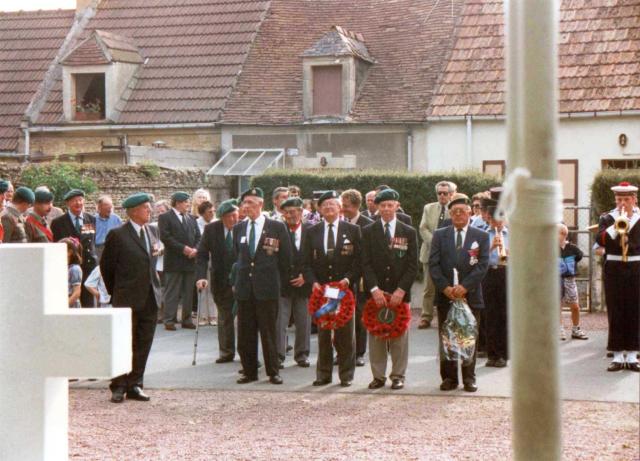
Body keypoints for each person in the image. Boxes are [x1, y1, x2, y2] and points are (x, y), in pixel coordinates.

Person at [100, 192, 163, 403]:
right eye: (146, 207)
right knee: (123, 343)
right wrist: (117, 291)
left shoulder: (152, 232)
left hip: (150, 298)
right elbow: (107, 267)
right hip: (126, 298)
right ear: (134, 211)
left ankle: (135, 383)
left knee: (143, 342)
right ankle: (119, 385)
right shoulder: (118, 235)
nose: (150, 210)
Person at [429, 193, 490, 392]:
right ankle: (449, 378)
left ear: (470, 213)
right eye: (454, 212)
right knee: (447, 337)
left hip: (470, 295)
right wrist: (445, 288)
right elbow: (434, 264)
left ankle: (469, 378)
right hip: (446, 295)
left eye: (462, 211)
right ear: (450, 214)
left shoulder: (480, 236)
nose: (458, 214)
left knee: (469, 336)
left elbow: (482, 265)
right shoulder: (440, 234)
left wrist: (465, 286)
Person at [232, 187, 292, 384]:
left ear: (260, 204)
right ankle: (249, 371)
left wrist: (281, 286)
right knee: (245, 333)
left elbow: (285, 260)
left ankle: (273, 371)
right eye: (244, 203)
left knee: (268, 332)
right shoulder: (239, 228)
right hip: (245, 289)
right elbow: (237, 256)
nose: (245, 206)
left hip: (267, 288)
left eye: (249, 202)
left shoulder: (276, 226)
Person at [303, 190, 362, 387]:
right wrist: (313, 282)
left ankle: (346, 375)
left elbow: (359, 261)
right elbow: (306, 263)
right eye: (325, 205)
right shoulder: (312, 231)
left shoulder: (352, 230)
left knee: (345, 334)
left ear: (340, 208)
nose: (329, 207)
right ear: (319, 209)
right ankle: (323, 374)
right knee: (324, 335)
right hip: (322, 292)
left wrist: (348, 278)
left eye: (332, 204)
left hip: (344, 290)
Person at [361, 189, 418, 390]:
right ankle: (378, 376)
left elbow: (413, 265)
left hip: (400, 293)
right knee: (376, 334)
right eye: (382, 205)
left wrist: (401, 290)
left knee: (399, 335)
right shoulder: (368, 231)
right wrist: (374, 289)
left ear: (396, 205)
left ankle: (398, 375)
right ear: (377, 207)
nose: (386, 209)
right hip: (377, 292)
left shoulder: (408, 231)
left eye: (390, 205)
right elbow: (365, 263)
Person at [597, 181, 639, 372]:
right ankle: (616, 355)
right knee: (615, 310)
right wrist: (617, 225)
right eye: (619, 199)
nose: (622, 203)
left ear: (634, 199)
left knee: (634, 309)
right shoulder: (607, 218)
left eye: (626, 199)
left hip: (636, 266)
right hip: (614, 266)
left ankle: (631, 355)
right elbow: (600, 239)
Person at [196, 199, 240, 362]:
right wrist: (201, 276)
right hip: (220, 280)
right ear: (222, 217)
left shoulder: (243, 227)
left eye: (235, 215)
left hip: (241, 281)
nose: (233, 220)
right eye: (229, 216)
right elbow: (201, 254)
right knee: (224, 317)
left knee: (244, 319)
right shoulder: (211, 229)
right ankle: (226, 352)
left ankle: (246, 353)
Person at [274, 197, 312, 368]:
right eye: (286, 212)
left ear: (301, 212)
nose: (289, 215)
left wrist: (306, 276)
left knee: (303, 321)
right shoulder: (278, 230)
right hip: (283, 283)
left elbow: (315, 258)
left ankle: (302, 354)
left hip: (303, 284)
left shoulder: (311, 230)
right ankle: (278, 355)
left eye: (293, 211)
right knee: (280, 322)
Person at [158, 191, 201, 330]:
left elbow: (199, 237)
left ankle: (186, 319)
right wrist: (183, 249)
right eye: (186, 202)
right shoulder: (165, 217)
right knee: (172, 291)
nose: (188, 204)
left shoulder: (191, 219)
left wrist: (195, 249)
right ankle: (169, 320)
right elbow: (166, 237)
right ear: (177, 203)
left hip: (190, 261)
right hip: (174, 261)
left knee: (188, 291)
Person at [341, 189, 374, 366]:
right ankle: (342, 352)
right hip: (343, 277)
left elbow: (368, 254)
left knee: (360, 316)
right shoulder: (340, 222)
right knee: (341, 315)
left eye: (345, 206)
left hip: (361, 278)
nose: (342, 209)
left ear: (355, 206)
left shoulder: (367, 224)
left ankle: (359, 352)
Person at [418, 180, 455, 329]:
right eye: (439, 193)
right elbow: (423, 228)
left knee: (449, 286)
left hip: (449, 255)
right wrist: (435, 243)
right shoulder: (429, 208)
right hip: (429, 253)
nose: (442, 196)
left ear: (451, 194)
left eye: (445, 193)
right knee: (428, 287)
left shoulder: (454, 209)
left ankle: (449, 317)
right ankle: (426, 317)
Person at [51, 189, 98, 307]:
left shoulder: (91, 219)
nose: (78, 203)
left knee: (88, 303)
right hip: (70, 268)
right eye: (74, 201)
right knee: (71, 300)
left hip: (88, 266)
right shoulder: (58, 222)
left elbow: (92, 241)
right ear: (68, 203)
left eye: (80, 200)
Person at [484, 196, 510, 367]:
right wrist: (491, 247)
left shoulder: (512, 234)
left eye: (502, 219)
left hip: (507, 274)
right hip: (489, 274)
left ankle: (503, 354)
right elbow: (476, 258)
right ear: (490, 219)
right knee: (490, 315)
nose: (499, 223)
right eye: (496, 220)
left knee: (504, 315)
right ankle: (491, 354)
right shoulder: (482, 234)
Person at [558, 223, 588, 341]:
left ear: (563, 235)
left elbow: (579, 256)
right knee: (557, 305)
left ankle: (576, 329)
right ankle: (560, 329)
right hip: (556, 279)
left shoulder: (572, 248)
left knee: (575, 306)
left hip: (570, 279)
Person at [94, 195, 123, 261]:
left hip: (113, 249)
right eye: (106, 205)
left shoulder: (116, 219)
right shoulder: (93, 220)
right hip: (98, 249)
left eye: (111, 205)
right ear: (99, 207)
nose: (109, 208)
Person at [61, 237, 83, 308]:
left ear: (69, 252)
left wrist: (66, 306)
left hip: (72, 305)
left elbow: (77, 292)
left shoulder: (74, 269)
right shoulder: (64, 267)